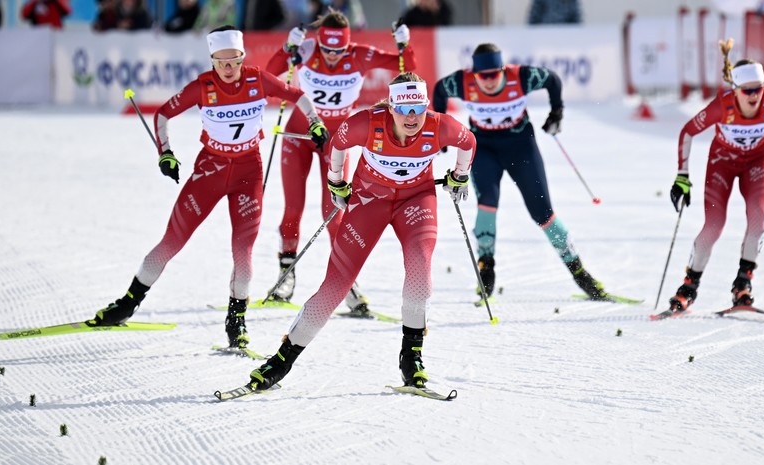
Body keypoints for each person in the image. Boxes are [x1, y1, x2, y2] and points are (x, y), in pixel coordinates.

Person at [86, 25, 329, 353]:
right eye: (220, 62)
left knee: (243, 252)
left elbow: (297, 96)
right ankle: (127, 304)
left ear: (242, 57)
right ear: (212, 60)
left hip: (248, 174)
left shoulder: (257, 80)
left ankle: (236, 320)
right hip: (210, 170)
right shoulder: (203, 86)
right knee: (172, 241)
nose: (228, 69)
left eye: (234, 61)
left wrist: (315, 123)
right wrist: (166, 153)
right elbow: (163, 114)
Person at [244, 72, 476, 391]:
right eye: (404, 109)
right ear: (390, 107)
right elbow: (338, 144)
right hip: (369, 201)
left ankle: (412, 359)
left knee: (420, 267)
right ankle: (280, 362)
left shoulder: (440, 125)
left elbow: (469, 142)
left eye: (418, 109)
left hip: (416, 201)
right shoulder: (366, 123)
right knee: (336, 284)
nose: (412, 117)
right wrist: (336, 182)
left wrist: (460, 175)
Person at [263, 8, 416, 316]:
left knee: (335, 210)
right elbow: (270, 73)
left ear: (347, 45)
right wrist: (287, 49)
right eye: (327, 50)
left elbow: (406, 69)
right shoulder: (307, 49)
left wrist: (405, 45)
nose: (332, 57)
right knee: (293, 206)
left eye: (338, 50)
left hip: (338, 141)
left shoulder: (360, 55)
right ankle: (285, 275)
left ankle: (346, 281)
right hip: (299, 135)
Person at [432, 43, 611, 302]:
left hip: (521, 147)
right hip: (484, 149)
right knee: (487, 204)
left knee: (543, 213)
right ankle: (486, 267)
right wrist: (442, 129)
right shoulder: (462, 82)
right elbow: (439, 89)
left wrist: (556, 111)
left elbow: (553, 80)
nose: (490, 81)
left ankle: (579, 272)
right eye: (484, 76)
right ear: (475, 74)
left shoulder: (522, 76)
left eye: (495, 74)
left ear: (503, 70)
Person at [663, 40, 764, 315]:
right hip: (722, 163)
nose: (754, 96)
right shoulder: (722, 106)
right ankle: (688, 288)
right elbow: (688, 132)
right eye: (747, 90)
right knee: (714, 225)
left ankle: (743, 285)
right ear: (736, 90)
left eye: (758, 89)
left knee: (757, 220)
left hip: (757, 162)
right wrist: (682, 176)